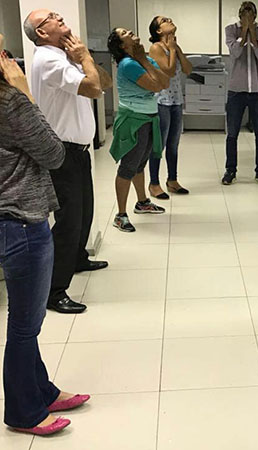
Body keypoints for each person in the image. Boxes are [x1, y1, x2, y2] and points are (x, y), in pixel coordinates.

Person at [0, 52, 90, 437]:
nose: (10, 59)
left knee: (26, 320)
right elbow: (54, 153)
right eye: (2, 53)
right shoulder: (10, 101)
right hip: (22, 219)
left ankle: (42, 391)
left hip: (10, 218)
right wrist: (26, 94)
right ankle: (24, 411)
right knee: (25, 325)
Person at [24, 10, 112, 314]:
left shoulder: (65, 55)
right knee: (68, 221)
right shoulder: (49, 59)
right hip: (62, 152)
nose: (58, 15)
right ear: (41, 32)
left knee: (84, 212)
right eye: (50, 17)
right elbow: (93, 89)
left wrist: (83, 57)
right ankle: (53, 291)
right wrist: (83, 56)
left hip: (78, 150)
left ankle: (77, 259)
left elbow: (104, 82)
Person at [107, 27, 170, 232]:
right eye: (125, 33)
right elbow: (155, 86)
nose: (130, 31)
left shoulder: (144, 59)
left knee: (140, 164)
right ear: (122, 46)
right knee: (128, 167)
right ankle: (120, 215)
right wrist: (143, 60)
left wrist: (145, 60)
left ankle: (142, 202)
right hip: (134, 119)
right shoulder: (128, 64)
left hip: (148, 117)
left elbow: (165, 82)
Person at [222, 1, 258, 186]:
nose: (248, 17)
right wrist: (244, 32)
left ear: (255, 15)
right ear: (240, 15)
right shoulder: (230, 30)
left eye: (251, 14)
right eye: (244, 14)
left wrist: (253, 35)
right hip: (236, 90)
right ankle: (230, 170)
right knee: (232, 133)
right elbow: (235, 53)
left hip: (257, 90)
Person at [148, 16, 193, 200]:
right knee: (159, 145)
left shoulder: (174, 46)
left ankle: (172, 180)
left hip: (176, 101)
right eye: (165, 20)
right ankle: (154, 183)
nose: (170, 20)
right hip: (161, 102)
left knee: (173, 144)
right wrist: (172, 50)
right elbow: (169, 70)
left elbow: (188, 69)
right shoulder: (156, 48)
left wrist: (176, 49)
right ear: (158, 30)